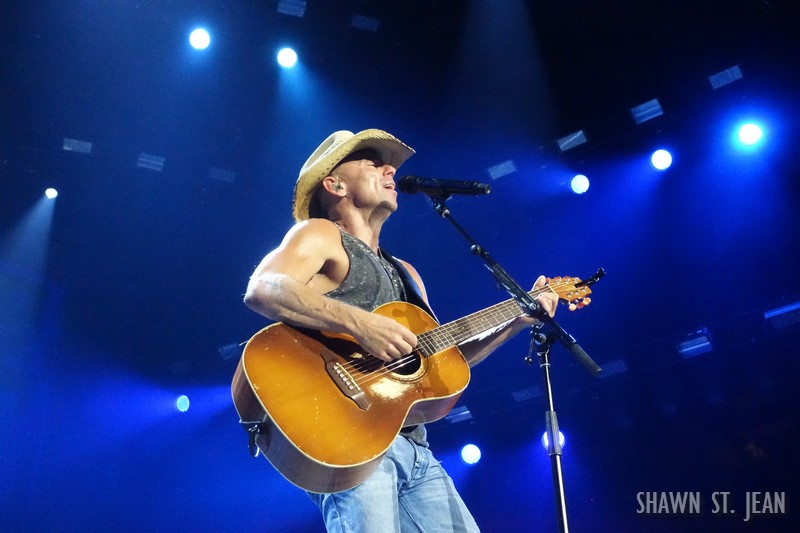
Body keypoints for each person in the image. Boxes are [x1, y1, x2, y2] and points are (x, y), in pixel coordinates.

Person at [243, 129, 558, 532]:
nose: (390, 169)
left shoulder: (406, 273)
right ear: (335, 185)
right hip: (352, 440)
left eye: (388, 164)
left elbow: (443, 361)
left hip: (414, 448)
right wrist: (361, 323)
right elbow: (264, 288)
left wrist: (517, 320)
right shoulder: (321, 234)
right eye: (373, 162)